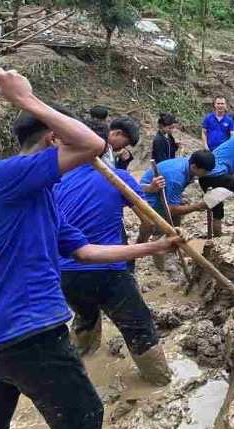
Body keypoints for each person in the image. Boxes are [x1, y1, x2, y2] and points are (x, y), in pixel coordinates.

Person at [0, 69, 179, 429]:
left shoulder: (44, 201)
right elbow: (93, 145)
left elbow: (88, 251)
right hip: (30, 329)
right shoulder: (2, 175)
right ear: (54, 140)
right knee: (85, 420)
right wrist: (27, 99)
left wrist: (154, 248)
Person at [55, 159, 174, 385]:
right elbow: (148, 222)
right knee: (139, 329)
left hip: (66, 273)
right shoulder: (116, 176)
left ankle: (81, 367)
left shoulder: (56, 179)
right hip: (107, 270)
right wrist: (139, 245)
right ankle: (159, 382)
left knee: (85, 317)